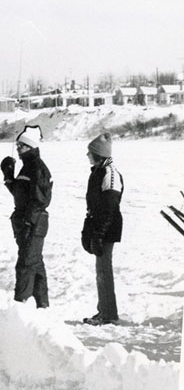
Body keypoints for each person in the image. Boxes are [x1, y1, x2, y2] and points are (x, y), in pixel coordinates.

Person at [0, 125, 52, 308]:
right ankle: (42, 306)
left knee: (25, 265)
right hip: (26, 222)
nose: (18, 149)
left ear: (30, 147)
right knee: (35, 263)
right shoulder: (27, 168)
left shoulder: (37, 168)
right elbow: (20, 194)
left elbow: (41, 199)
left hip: (33, 224)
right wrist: (9, 177)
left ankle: (19, 307)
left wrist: (29, 222)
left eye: (21, 146)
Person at [81, 132, 123, 325]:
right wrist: (89, 227)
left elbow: (110, 208)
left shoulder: (110, 173)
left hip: (108, 227)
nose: (87, 156)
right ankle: (104, 310)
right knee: (101, 269)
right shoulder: (98, 172)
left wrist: (99, 233)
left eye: (90, 152)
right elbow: (95, 206)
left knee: (104, 269)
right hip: (100, 226)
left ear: (98, 154)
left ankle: (109, 313)